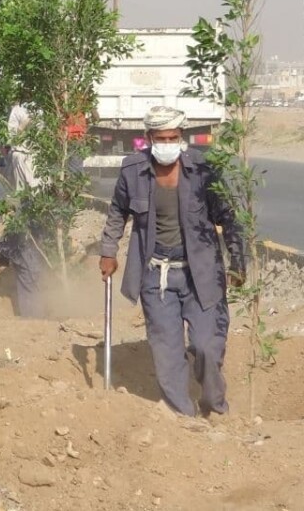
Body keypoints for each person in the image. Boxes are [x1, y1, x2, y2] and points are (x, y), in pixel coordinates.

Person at [98, 105, 246, 418]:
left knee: (207, 346)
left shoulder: (204, 169)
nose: (167, 144)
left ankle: (215, 406)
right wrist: (108, 251)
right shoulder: (132, 170)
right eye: (161, 138)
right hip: (156, 275)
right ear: (149, 138)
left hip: (201, 274)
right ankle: (183, 416)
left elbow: (228, 217)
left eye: (173, 137)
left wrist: (238, 260)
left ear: (182, 137)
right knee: (166, 351)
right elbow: (117, 213)